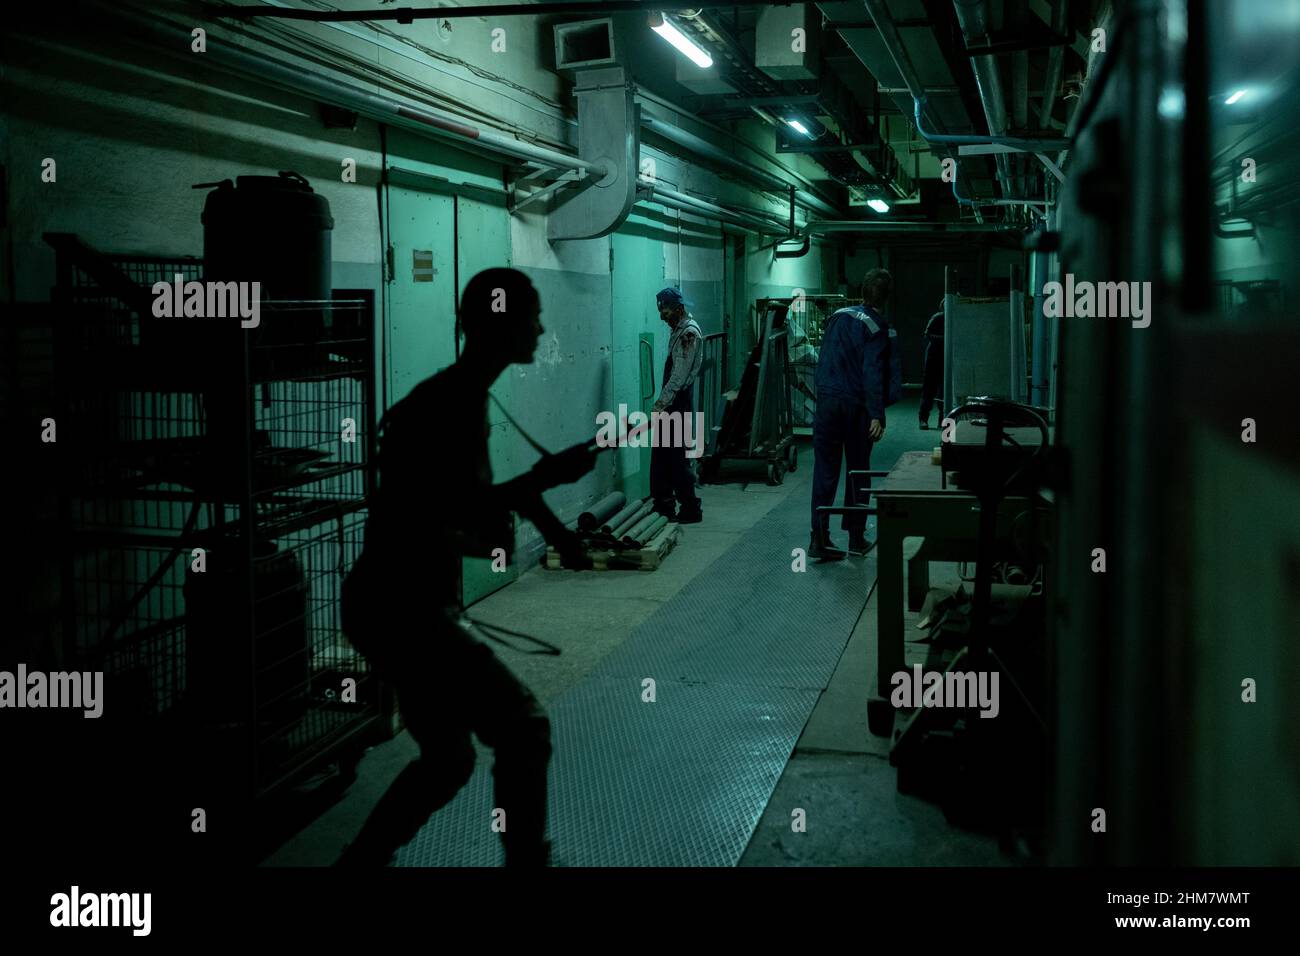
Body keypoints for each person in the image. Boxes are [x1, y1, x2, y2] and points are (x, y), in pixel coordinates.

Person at [335, 268, 596, 868]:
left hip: (400, 603)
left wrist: (556, 526)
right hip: (399, 607)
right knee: (524, 728)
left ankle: (359, 864)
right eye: (531, 313)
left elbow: (478, 505)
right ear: (502, 325)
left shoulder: (469, 394)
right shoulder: (444, 405)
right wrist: (539, 487)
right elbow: (436, 519)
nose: (541, 325)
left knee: (448, 760)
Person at [810, 268, 902, 559]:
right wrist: (876, 413)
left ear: (863, 291)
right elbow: (872, 371)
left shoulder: (838, 316)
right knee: (858, 471)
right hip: (855, 406)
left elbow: (824, 356)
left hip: (826, 402)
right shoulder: (877, 326)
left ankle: (819, 539)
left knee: (825, 470)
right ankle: (855, 537)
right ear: (887, 297)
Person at [649, 287, 704, 524]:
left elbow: (679, 376)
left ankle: (691, 508)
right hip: (672, 402)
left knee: (676, 459)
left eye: (666, 310)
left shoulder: (688, 334)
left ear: (679, 308)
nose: (662, 315)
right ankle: (664, 506)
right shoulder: (678, 330)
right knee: (661, 456)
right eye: (660, 310)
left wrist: (661, 404)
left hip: (676, 403)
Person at [918, 298, 945, 429]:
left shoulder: (953, 318)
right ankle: (924, 419)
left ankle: (942, 419)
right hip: (934, 357)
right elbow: (927, 334)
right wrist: (943, 339)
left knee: (943, 391)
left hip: (943, 356)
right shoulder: (938, 317)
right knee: (930, 389)